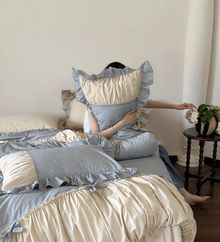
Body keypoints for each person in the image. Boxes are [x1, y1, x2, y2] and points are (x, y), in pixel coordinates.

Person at [86, 61, 210, 205]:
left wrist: (176, 106)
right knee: (155, 145)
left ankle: (182, 192)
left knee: (159, 149)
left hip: (129, 140)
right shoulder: (92, 104)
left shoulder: (127, 99)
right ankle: (182, 193)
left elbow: (148, 102)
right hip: (110, 143)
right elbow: (96, 137)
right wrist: (123, 123)